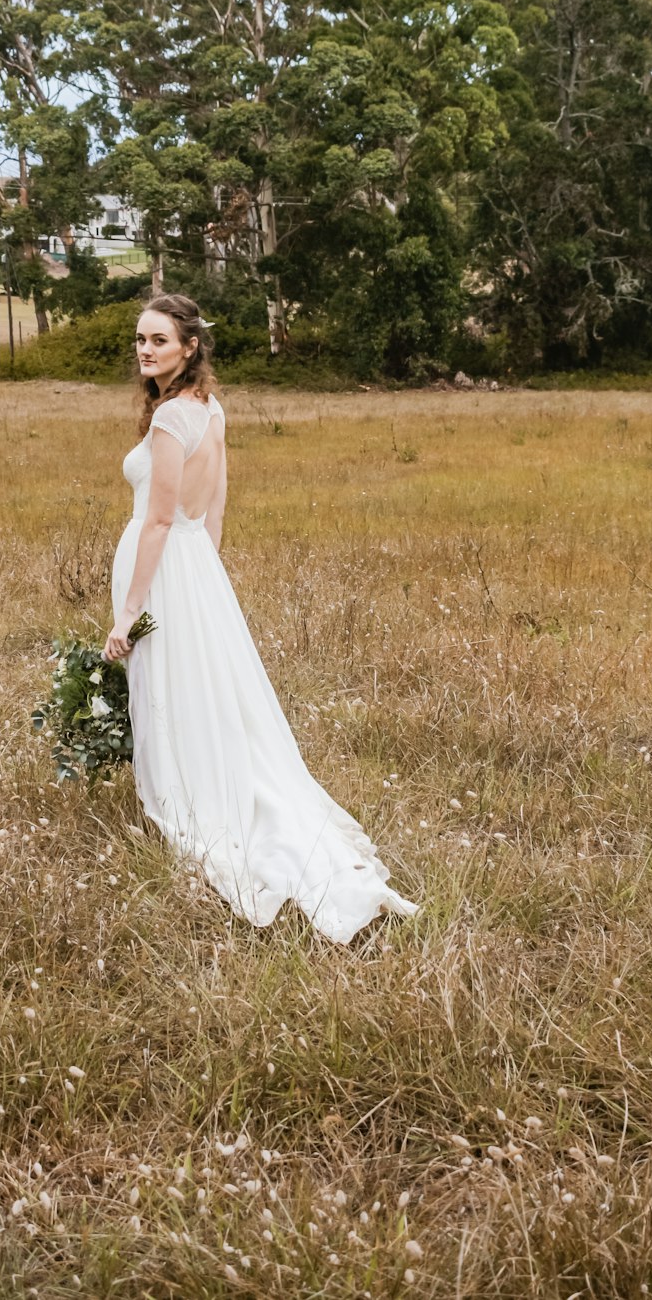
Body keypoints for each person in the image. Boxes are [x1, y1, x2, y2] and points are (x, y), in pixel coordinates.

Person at [104, 293, 418, 944]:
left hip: (166, 571)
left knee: (172, 695)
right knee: (203, 694)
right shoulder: (209, 409)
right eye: (140, 339)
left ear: (189, 347)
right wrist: (204, 581)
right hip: (195, 569)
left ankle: (198, 802)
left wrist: (129, 614)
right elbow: (212, 509)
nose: (144, 349)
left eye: (158, 340)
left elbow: (160, 519)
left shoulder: (170, 421)